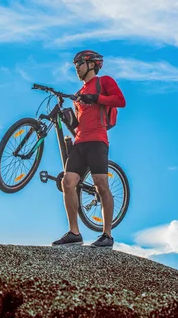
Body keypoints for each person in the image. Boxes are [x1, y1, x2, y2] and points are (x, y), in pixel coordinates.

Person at [52, 50, 126, 248]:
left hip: (97, 141)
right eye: (75, 64)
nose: (76, 67)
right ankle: (74, 232)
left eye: (79, 64)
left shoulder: (104, 82)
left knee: (101, 185)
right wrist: (68, 119)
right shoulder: (79, 93)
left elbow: (121, 101)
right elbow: (78, 123)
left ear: (91, 64)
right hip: (80, 142)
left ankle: (107, 235)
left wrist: (97, 98)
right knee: (68, 183)